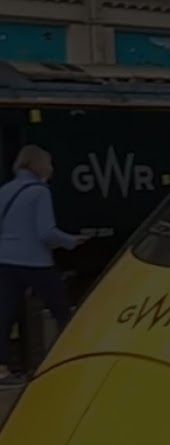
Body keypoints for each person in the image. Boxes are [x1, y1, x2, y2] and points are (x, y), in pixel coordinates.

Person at [0, 145, 86, 386]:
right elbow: (46, 233)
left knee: (5, 314)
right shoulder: (40, 192)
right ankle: (71, 356)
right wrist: (71, 241)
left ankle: (2, 370)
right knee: (61, 309)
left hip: (5, 260)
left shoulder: (5, 190)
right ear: (41, 165)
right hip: (35, 261)